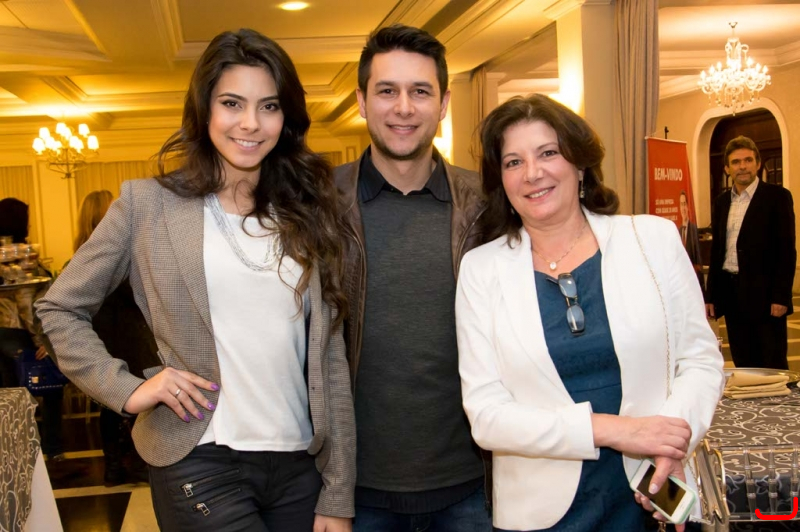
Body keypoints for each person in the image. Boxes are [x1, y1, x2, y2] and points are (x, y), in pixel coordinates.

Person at [36, 28, 355, 532]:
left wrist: (338, 491)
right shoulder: (148, 205)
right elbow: (58, 309)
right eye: (232, 103)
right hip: (201, 457)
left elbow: (330, 359)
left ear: (286, 118)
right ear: (204, 110)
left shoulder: (308, 212)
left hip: (300, 464)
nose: (250, 123)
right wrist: (127, 389)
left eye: (269, 106)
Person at [456, 94, 724, 532]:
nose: (533, 173)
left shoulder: (652, 240)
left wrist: (671, 442)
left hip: (655, 491)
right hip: (540, 513)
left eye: (548, 153)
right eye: (513, 162)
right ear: (500, 180)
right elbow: (486, 415)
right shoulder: (481, 270)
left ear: (580, 164)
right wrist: (615, 430)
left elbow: (700, 359)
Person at [334, 24, 491, 532]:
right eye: (387, 91)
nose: (404, 107)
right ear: (362, 102)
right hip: (354, 491)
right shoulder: (317, 204)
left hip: (474, 486)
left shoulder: (489, 204)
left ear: (443, 104)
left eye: (420, 91)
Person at [70, 189, 159, 486]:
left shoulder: (80, 253)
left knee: (110, 401)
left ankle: (113, 467)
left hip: (99, 336)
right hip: (128, 335)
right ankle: (137, 462)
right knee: (138, 399)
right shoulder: (116, 248)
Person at [705, 135, 796, 370]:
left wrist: (781, 296)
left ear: (758, 163)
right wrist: (711, 295)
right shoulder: (721, 202)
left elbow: (786, 250)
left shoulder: (777, 197)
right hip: (732, 294)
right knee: (743, 361)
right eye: (736, 162)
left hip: (766, 296)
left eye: (747, 160)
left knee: (772, 364)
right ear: (727, 169)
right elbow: (718, 250)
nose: (742, 166)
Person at [0, 198, 63, 460]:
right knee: (51, 387)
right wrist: (42, 341)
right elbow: (26, 305)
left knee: (10, 398)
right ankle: (51, 449)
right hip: (19, 334)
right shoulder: (20, 257)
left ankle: (15, 453)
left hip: (3, 333)